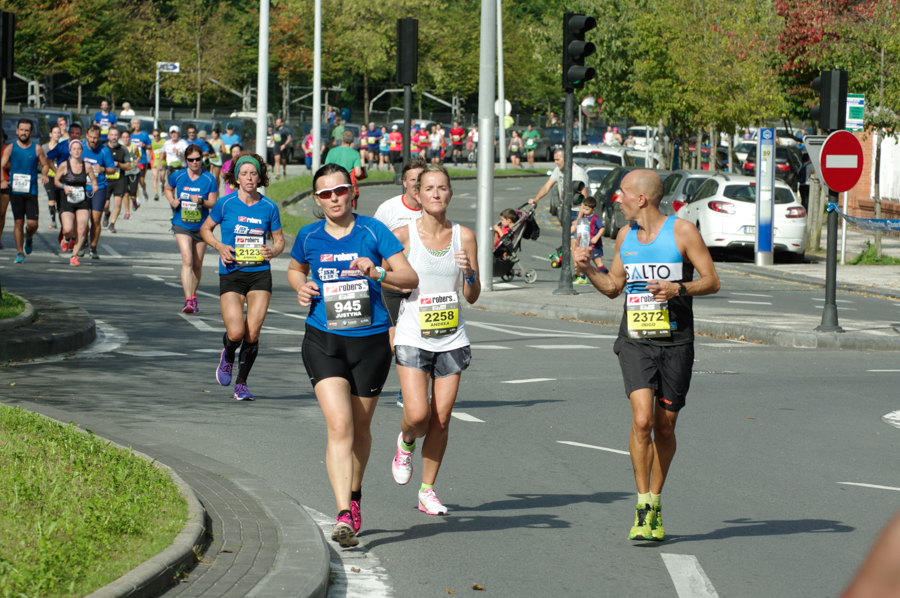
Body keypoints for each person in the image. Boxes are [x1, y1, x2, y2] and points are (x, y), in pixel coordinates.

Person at [573, 169, 720, 542]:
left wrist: (678, 288)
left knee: (664, 427)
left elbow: (712, 281)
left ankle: (656, 499)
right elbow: (613, 287)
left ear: (641, 198)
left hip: (675, 342)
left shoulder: (682, 232)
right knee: (641, 421)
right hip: (635, 340)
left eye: (622, 193)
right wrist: (588, 269)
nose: (617, 199)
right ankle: (642, 504)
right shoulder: (625, 236)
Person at [287, 163, 418, 548]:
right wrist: (301, 286)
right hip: (323, 339)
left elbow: (409, 278)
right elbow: (294, 269)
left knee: (360, 428)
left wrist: (377, 272)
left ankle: (355, 494)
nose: (334, 199)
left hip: (371, 342)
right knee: (340, 425)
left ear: (351, 191)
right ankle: (343, 512)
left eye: (340, 190)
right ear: (317, 199)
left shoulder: (373, 231)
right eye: (325, 194)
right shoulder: (309, 235)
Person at [389, 163, 480, 516]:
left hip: (451, 338)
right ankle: (406, 441)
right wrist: (391, 324)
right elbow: (383, 280)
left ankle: (427, 490)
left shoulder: (464, 236)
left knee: (441, 418)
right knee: (418, 415)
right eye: (429, 188)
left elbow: (472, 295)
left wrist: (469, 273)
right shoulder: (402, 235)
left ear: (450, 194)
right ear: (417, 193)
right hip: (413, 334)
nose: (436, 194)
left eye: (442, 188)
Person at [201, 153, 285, 401]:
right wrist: (219, 246)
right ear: (236, 178)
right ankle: (228, 354)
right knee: (237, 333)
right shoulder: (225, 204)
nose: (249, 178)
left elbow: (279, 240)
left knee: (252, 333)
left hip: (259, 274)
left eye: (253, 173)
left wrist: (273, 251)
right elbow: (205, 229)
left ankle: (241, 384)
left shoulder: (269, 207)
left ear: (260, 178)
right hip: (232, 273)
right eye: (244, 174)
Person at [374, 155, 426, 407]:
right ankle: (374, 381)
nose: (417, 185)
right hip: (392, 284)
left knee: (421, 339)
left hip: (422, 287)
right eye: (413, 180)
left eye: (421, 180)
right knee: (395, 342)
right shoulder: (389, 209)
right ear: (404, 182)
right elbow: (372, 242)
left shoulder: (432, 207)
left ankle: (408, 390)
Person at [165, 143, 218, 313]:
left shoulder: (209, 179)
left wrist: (201, 201)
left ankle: (193, 296)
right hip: (182, 224)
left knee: (197, 264)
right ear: (186, 160)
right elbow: (167, 189)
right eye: (191, 159)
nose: (195, 162)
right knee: (187, 259)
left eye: (197, 159)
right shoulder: (178, 175)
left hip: (202, 226)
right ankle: (188, 299)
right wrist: (172, 200)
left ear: (202, 159)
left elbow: (213, 203)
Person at [0, 120, 52, 263]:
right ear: (17, 131)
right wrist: (2, 180)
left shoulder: (37, 148)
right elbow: (1, 165)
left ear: (31, 132)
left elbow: (45, 164)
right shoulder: (11, 148)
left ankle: (28, 237)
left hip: (31, 190)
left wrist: (45, 174)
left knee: (33, 224)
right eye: (21, 130)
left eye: (27, 130)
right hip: (15, 190)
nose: (24, 133)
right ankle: (19, 252)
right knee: (18, 222)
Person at [55, 139, 99, 266]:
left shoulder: (87, 166)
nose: (76, 151)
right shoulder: (64, 165)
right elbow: (56, 181)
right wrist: (64, 186)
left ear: (82, 151)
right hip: (67, 200)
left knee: (82, 229)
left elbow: (93, 180)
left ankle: (74, 256)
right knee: (68, 229)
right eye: (74, 149)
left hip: (81, 200)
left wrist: (95, 186)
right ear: (70, 151)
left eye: (79, 149)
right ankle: (66, 239)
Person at [570, 196, 606, 284]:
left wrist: (596, 237)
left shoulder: (595, 218)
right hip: (584, 243)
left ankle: (603, 279)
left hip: (594, 245)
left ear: (593, 209)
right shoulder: (582, 218)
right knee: (581, 260)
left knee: (597, 261)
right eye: (584, 209)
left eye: (587, 209)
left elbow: (602, 228)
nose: (585, 211)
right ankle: (582, 278)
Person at [104, 127, 132, 233]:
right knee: (105, 204)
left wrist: (119, 164)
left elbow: (129, 166)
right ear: (108, 136)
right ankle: (107, 213)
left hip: (119, 179)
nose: (114, 137)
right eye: (112, 135)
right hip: (106, 179)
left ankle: (112, 224)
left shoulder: (123, 149)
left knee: (118, 202)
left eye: (116, 135)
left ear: (118, 137)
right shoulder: (104, 149)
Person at [42, 125, 65, 229]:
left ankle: (62, 220)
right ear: (50, 134)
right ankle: (53, 220)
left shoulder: (62, 147)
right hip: (49, 176)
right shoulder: (44, 147)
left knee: (60, 199)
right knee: (52, 198)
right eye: (55, 132)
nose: (57, 134)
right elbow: (41, 162)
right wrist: (44, 174)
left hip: (60, 177)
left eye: (58, 133)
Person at [119, 130, 142, 221]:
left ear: (130, 137)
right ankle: (127, 212)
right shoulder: (120, 148)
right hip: (124, 172)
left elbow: (138, 156)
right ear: (121, 138)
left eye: (127, 137)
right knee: (125, 193)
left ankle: (134, 202)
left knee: (132, 195)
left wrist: (137, 160)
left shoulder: (134, 147)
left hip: (133, 172)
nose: (125, 139)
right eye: (123, 137)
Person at [130, 119, 152, 202]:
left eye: (138, 123)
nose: (136, 125)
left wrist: (144, 146)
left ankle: (144, 190)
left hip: (142, 161)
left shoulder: (144, 135)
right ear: (132, 125)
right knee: (135, 181)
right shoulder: (130, 135)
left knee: (141, 180)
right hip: (132, 161)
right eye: (134, 123)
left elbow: (150, 146)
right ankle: (137, 199)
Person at [149, 128, 165, 201]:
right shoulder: (151, 142)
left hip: (163, 162)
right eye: (154, 136)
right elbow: (149, 148)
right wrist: (149, 151)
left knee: (162, 178)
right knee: (155, 177)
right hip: (154, 161)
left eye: (157, 135)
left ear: (159, 135)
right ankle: (156, 193)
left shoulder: (163, 141)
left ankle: (162, 186)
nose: (156, 137)